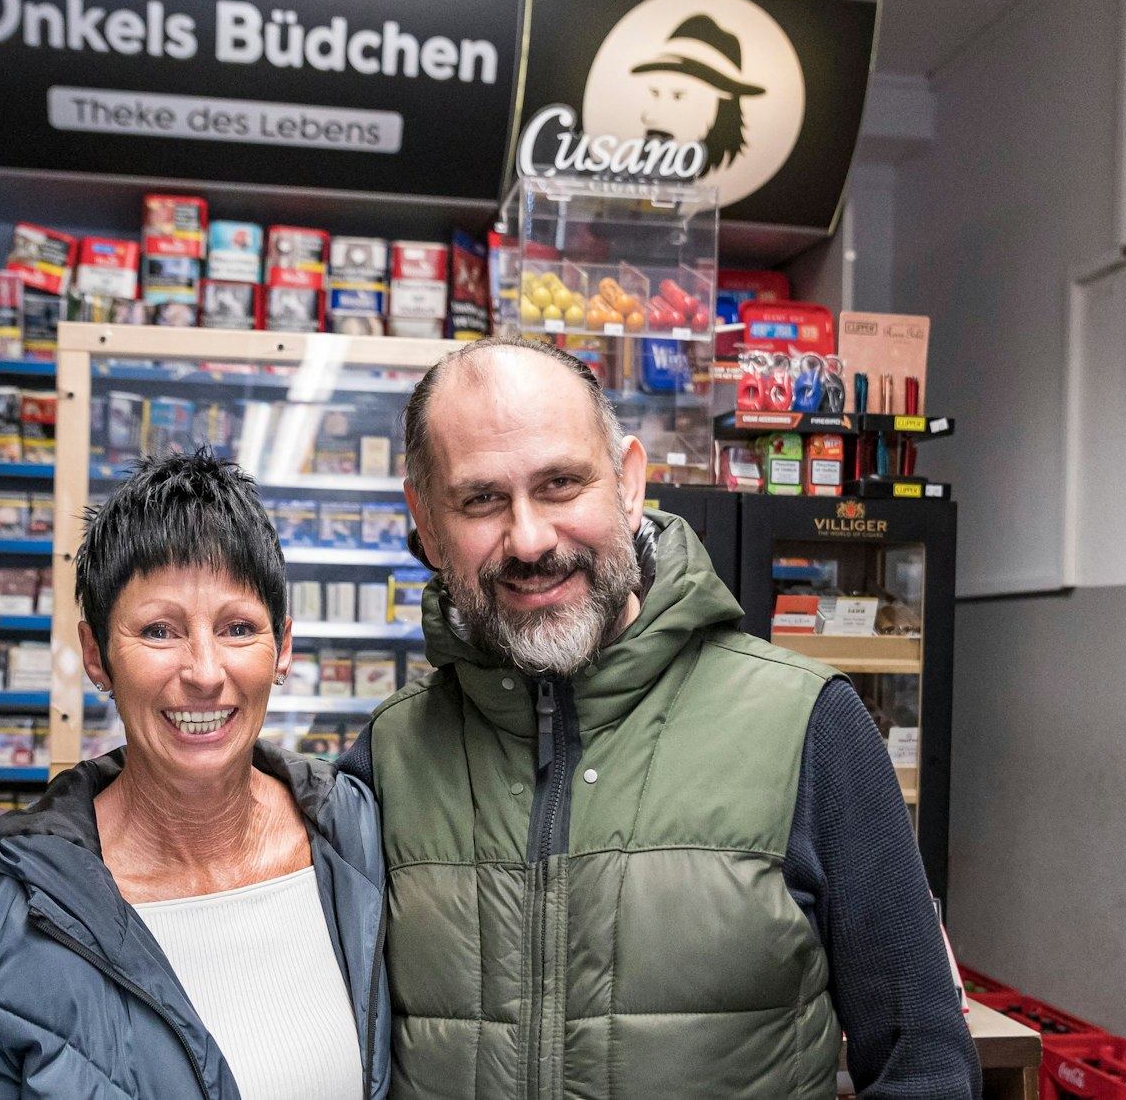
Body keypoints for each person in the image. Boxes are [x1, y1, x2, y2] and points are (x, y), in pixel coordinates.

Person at [337, 336, 981, 1098]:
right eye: (481, 499)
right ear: (427, 521)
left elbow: (926, 1065)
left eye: (561, 483)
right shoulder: (389, 756)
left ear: (629, 481)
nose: (531, 538)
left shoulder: (809, 726)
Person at [0, 451, 389, 1099]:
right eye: (159, 629)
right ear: (95, 655)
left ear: (285, 646)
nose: (205, 670)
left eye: (238, 627)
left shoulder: (364, 842)